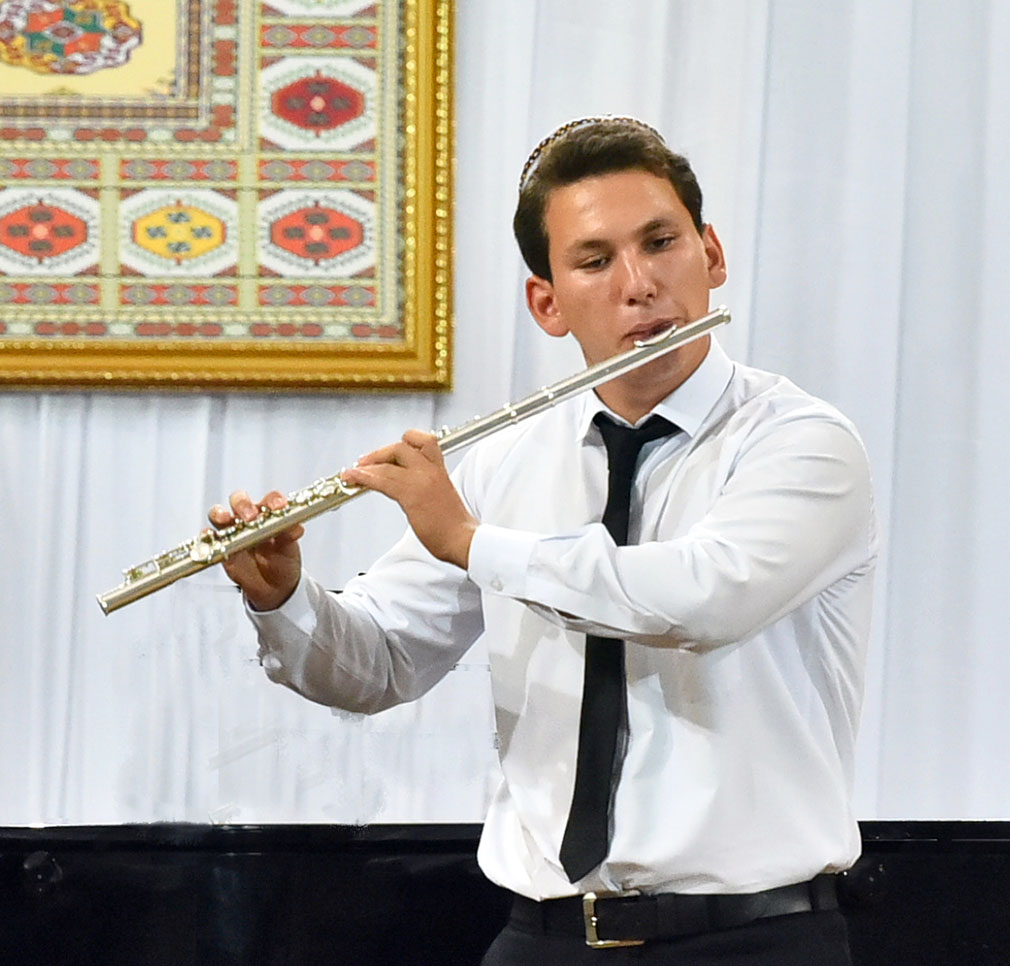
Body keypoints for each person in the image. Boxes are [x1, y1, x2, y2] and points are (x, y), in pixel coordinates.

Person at [210, 117, 877, 965]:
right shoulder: (504, 462)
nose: (639, 284)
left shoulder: (802, 442)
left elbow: (702, 599)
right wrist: (282, 596)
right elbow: (381, 663)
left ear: (710, 255)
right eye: (595, 261)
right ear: (548, 303)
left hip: (757, 940)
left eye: (661, 243)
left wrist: (471, 543)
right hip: (543, 939)